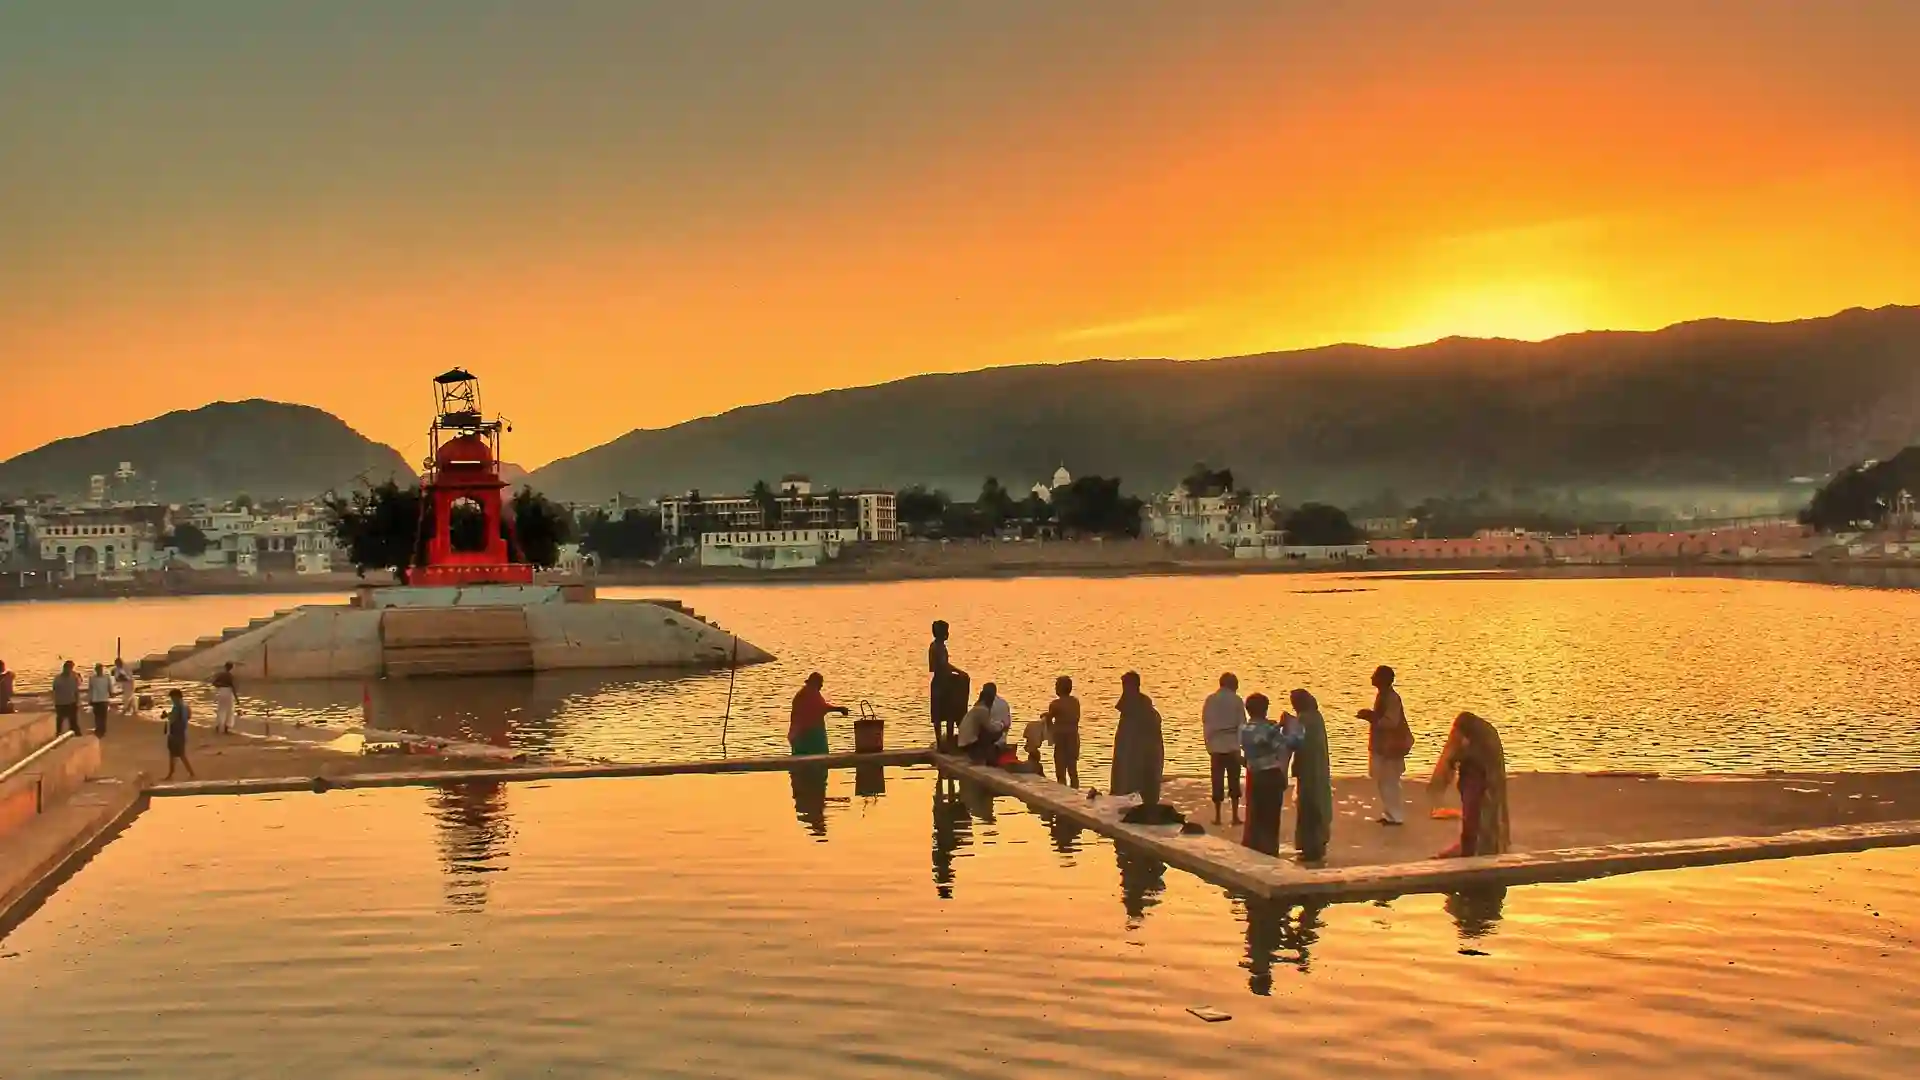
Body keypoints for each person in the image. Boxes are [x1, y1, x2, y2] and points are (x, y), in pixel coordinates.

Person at [1430, 711, 1511, 858]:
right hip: (1482, 775)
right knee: (1479, 811)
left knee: (1479, 811)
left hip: (1482, 778)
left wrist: (1447, 769)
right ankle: (1474, 845)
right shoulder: (1481, 733)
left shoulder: (1475, 737)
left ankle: (1474, 847)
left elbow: (1450, 758)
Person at [1239, 693, 1302, 855]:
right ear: (1265, 709)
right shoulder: (1269, 730)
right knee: (1270, 817)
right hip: (1270, 775)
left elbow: (1261, 736)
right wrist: (1295, 728)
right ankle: (1269, 851)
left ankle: (1254, 849)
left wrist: (1277, 726)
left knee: (1255, 814)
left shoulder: (1243, 728)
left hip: (1254, 775)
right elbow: (1290, 744)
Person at [1355, 665, 1414, 825]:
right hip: (1384, 746)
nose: (1372, 678)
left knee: (1390, 781)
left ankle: (1395, 816)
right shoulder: (1384, 695)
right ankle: (1390, 814)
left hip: (1391, 747)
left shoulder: (1391, 698)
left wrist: (1371, 717)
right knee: (1384, 781)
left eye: (1375, 675)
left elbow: (1391, 722)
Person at [1286, 688, 1333, 863]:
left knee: (1308, 808)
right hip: (1318, 769)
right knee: (1318, 805)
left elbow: (1295, 741)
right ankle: (1318, 845)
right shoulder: (1316, 717)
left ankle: (1310, 847)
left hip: (1308, 770)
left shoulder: (1304, 719)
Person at [1109, 672, 1164, 809]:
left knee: (1138, 781)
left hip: (1141, 754)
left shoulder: (1141, 707)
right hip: (1132, 753)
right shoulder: (1131, 705)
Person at [1202, 672, 1248, 826]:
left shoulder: (1210, 700)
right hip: (1232, 744)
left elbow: (1206, 723)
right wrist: (1242, 745)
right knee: (1234, 781)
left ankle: (1218, 816)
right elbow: (1242, 724)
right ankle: (1235, 816)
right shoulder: (1236, 700)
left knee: (1217, 780)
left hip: (1216, 745)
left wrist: (1208, 743)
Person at [928, 620, 969, 749]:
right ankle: (943, 742)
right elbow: (942, 665)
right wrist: (959, 671)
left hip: (942, 681)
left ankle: (946, 741)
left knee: (946, 713)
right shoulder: (936, 647)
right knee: (943, 714)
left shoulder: (938, 646)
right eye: (946, 631)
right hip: (941, 683)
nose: (948, 634)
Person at [787, 672, 849, 756]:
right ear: (815, 683)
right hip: (807, 735)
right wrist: (839, 709)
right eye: (820, 683)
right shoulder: (808, 693)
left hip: (801, 733)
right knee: (813, 759)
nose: (821, 686)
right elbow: (821, 708)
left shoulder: (808, 692)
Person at [1040, 675, 1081, 788]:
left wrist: (1047, 719)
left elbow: (1050, 719)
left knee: (1060, 770)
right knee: (1073, 769)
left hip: (1061, 739)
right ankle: (1075, 791)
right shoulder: (1075, 702)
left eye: (1056, 686)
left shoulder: (1055, 704)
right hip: (1073, 737)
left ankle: (1063, 791)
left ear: (1059, 689)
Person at [957, 683, 1010, 765]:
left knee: (988, 732)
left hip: (963, 741)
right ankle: (986, 755)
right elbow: (990, 727)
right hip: (968, 743)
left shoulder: (978, 706)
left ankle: (986, 754)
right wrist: (1002, 726)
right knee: (992, 733)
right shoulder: (983, 710)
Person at [163, 688, 195, 781]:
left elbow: (173, 718)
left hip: (175, 733)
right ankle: (174, 773)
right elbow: (188, 716)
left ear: (176, 697)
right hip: (182, 732)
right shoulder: (185, 706)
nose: (172, 700)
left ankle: (187, 773)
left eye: (172, 698)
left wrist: (166, 715)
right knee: (179, 754)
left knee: (177, 754)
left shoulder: (177, 707)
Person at [52, 660, 82, 736]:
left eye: (71, 668)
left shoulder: (74, 677)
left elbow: (77, 690)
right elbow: (54, 690)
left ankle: (77, 735)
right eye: (69, 668)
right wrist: (55, 702)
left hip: (71, 702)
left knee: (73, 721)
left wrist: (78, 702)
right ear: (64, 668)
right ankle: (58, 735)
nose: (70, 670)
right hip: (61, 703)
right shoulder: (58, 678)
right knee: (60, 721)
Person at [87, 662, 114, 737]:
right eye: (98, 669)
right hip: (95, 699)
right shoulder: (92, 678)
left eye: (100, 669)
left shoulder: (106, 677)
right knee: (97, 715)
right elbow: (90, 689)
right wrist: (90, 699)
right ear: (96, 670)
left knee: (103, 716)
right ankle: (98, 729)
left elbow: (110, 687)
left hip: (104, 699)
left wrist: (111, 693)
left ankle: (102, 729)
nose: (99, 670)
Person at [212, 662, 238, 734]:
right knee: (229, 709)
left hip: (221, 691)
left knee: (221, 709)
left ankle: (219, 725)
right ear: (231, 668)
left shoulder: (221, 675)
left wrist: (221, 685)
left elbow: (214, 683)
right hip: (228, 692)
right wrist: (237, 698)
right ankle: (227, 726)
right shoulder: (230, 676)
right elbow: (233, 687)